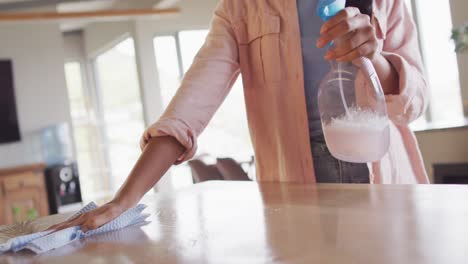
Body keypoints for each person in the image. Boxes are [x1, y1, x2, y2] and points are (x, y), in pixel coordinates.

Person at [51, 0, 429, 232]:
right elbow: (190, 105)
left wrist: (374, 58)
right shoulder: (242, 8)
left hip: (385, 175)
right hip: (298, 189)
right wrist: (124, 199)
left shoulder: (384, 1)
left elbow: (415, 101)